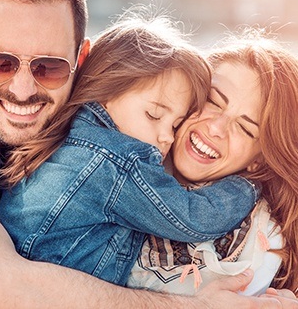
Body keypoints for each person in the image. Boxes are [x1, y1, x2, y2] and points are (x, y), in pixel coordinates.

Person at [0, 0, 296, 307]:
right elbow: (2, 287)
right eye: (0, 63)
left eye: (48, 67)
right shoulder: (116, 161)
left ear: (81, 60)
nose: (23, 89)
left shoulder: (74, 123)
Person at [0, 8, 263, 289]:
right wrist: (247, 186)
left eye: (175, 125)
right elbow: (194, 217)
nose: (167, 138)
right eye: (154, 116)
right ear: (105, 92)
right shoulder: (116, 164)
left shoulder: (65, 133)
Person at [128, 28, 298, 296]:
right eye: (213, 101)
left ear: (258, 161)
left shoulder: (259, 244)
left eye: (245, 128)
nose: (217, 128)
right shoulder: (120, 141)